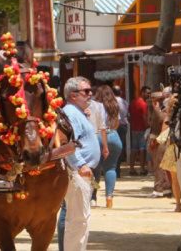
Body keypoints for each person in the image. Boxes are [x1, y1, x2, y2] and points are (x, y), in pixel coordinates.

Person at [61, 76, 101, 251]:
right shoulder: (70, 112)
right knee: (78, 220)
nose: (90, 94)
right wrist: (80, 165)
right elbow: (68, 143)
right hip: (77, 171)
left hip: (83, 171)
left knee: (82, 219)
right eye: (86, 91)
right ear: (73, 95)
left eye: (90, 90)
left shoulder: (76, 112)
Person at [95, 85, 123, 208]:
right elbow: (117, 123)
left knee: (94, 169)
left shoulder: (95, 105)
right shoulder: (115, 106)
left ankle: (92, 197)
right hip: (114, 136)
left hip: (99, 136)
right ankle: (109, 197)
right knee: (111, 168)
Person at [148, 89, 172, 198]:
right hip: (165, 139)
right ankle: (166, 188)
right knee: (164, 166)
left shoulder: (158, 111)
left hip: (159, 139)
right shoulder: (165, 110)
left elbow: (155, 127)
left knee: (158, 165)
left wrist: (153, 141)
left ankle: (159, 189)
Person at [129, 86, 150, 176]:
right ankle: (142, 169)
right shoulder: (144, 104)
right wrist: (148, 126)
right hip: (142, 129)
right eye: (147, 93)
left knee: (134, 149)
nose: (149, 95)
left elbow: (129, 115)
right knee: (142, 149)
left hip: (134, 129)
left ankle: (132, 168)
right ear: (142, 92)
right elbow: (145, 117)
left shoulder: (133, 102)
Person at [112, 84, 129, 177]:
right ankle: (117, 170)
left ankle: (114, 169)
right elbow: (127, 114)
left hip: (115, 126)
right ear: (120, 92)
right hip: (123, 126)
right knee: (119, 147)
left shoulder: (112, 102)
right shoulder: (125, 102)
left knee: (112, 148)